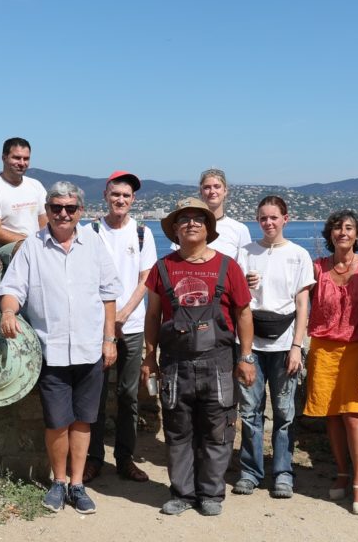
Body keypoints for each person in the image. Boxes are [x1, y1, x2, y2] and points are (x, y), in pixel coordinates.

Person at [0, 181, 121, 515]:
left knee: (82, 422)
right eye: (56, 208)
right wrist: (8, 310)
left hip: (88, 348)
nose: (63, 214)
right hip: (50, 350)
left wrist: (110, 339)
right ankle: (58, 481)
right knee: (56, 421)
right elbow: (12, 288)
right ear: (47, 210)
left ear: (80, 210)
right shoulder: (32, 247)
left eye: (69, 208)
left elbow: (109, 293)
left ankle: (77, 484)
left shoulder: (93, 244)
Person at [140, 197, 256, 517]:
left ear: (208, 229)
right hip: (175, 363)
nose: (191, 223)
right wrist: (149, 357)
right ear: (175, 230)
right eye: (184, 219)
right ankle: (182, 493)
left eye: (198, 219)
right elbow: (152, 317)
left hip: (219, 360)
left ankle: (210, 494)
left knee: (218, 431)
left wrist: (246, 357)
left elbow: (244, 314)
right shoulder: (162, 268)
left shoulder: (227, 266)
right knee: (178, 430)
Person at [232, 196, 314, 499]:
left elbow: (302, 304)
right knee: (250, 411)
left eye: (274, 217)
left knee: (284, 412)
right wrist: (243, 281)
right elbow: (235, 299)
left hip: (284, 344)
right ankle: (250, 471)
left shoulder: (299, 255)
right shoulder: (245, 253)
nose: (268, 223)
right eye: (263, 218)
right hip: (251, 343)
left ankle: (282, 473)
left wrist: (297, 346)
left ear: (285, 219)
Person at [84, 171, 157, 484]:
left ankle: (125, 458)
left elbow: (146, 279)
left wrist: (124, 312)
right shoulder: (90, 232)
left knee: (128, 396)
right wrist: (107, 320)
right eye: (116, 195)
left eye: (126, 196)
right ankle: (93, 458)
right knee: (95, 395)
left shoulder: (142, 233)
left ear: (133, 200)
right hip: (97, 328)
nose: (121, 200)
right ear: (105, 195)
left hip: (133, 325)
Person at [304, 210, 358, 514]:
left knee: (354, 415)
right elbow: (289, 293)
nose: (342, 232)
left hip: (357, 348)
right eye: (337, 228)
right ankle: (342, 471)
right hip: (322, 348)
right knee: (331, 414)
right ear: (329, 234)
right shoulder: (317, 267)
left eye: (349, 228)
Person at [0, 137, 47, 245]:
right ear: (4, 158)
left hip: (35, 247)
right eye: (17, 158)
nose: (22, 163)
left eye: (26, 158)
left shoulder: (36, 185)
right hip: (6, 249)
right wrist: (29, 243)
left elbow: (45, 221)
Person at [172, 168, 252, 257]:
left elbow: (246, 265)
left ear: (225, 191)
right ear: (201, 192)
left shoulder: (239, 229)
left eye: (217, 186)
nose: (212, 191)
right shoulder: (189, 227)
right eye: (207, 187)